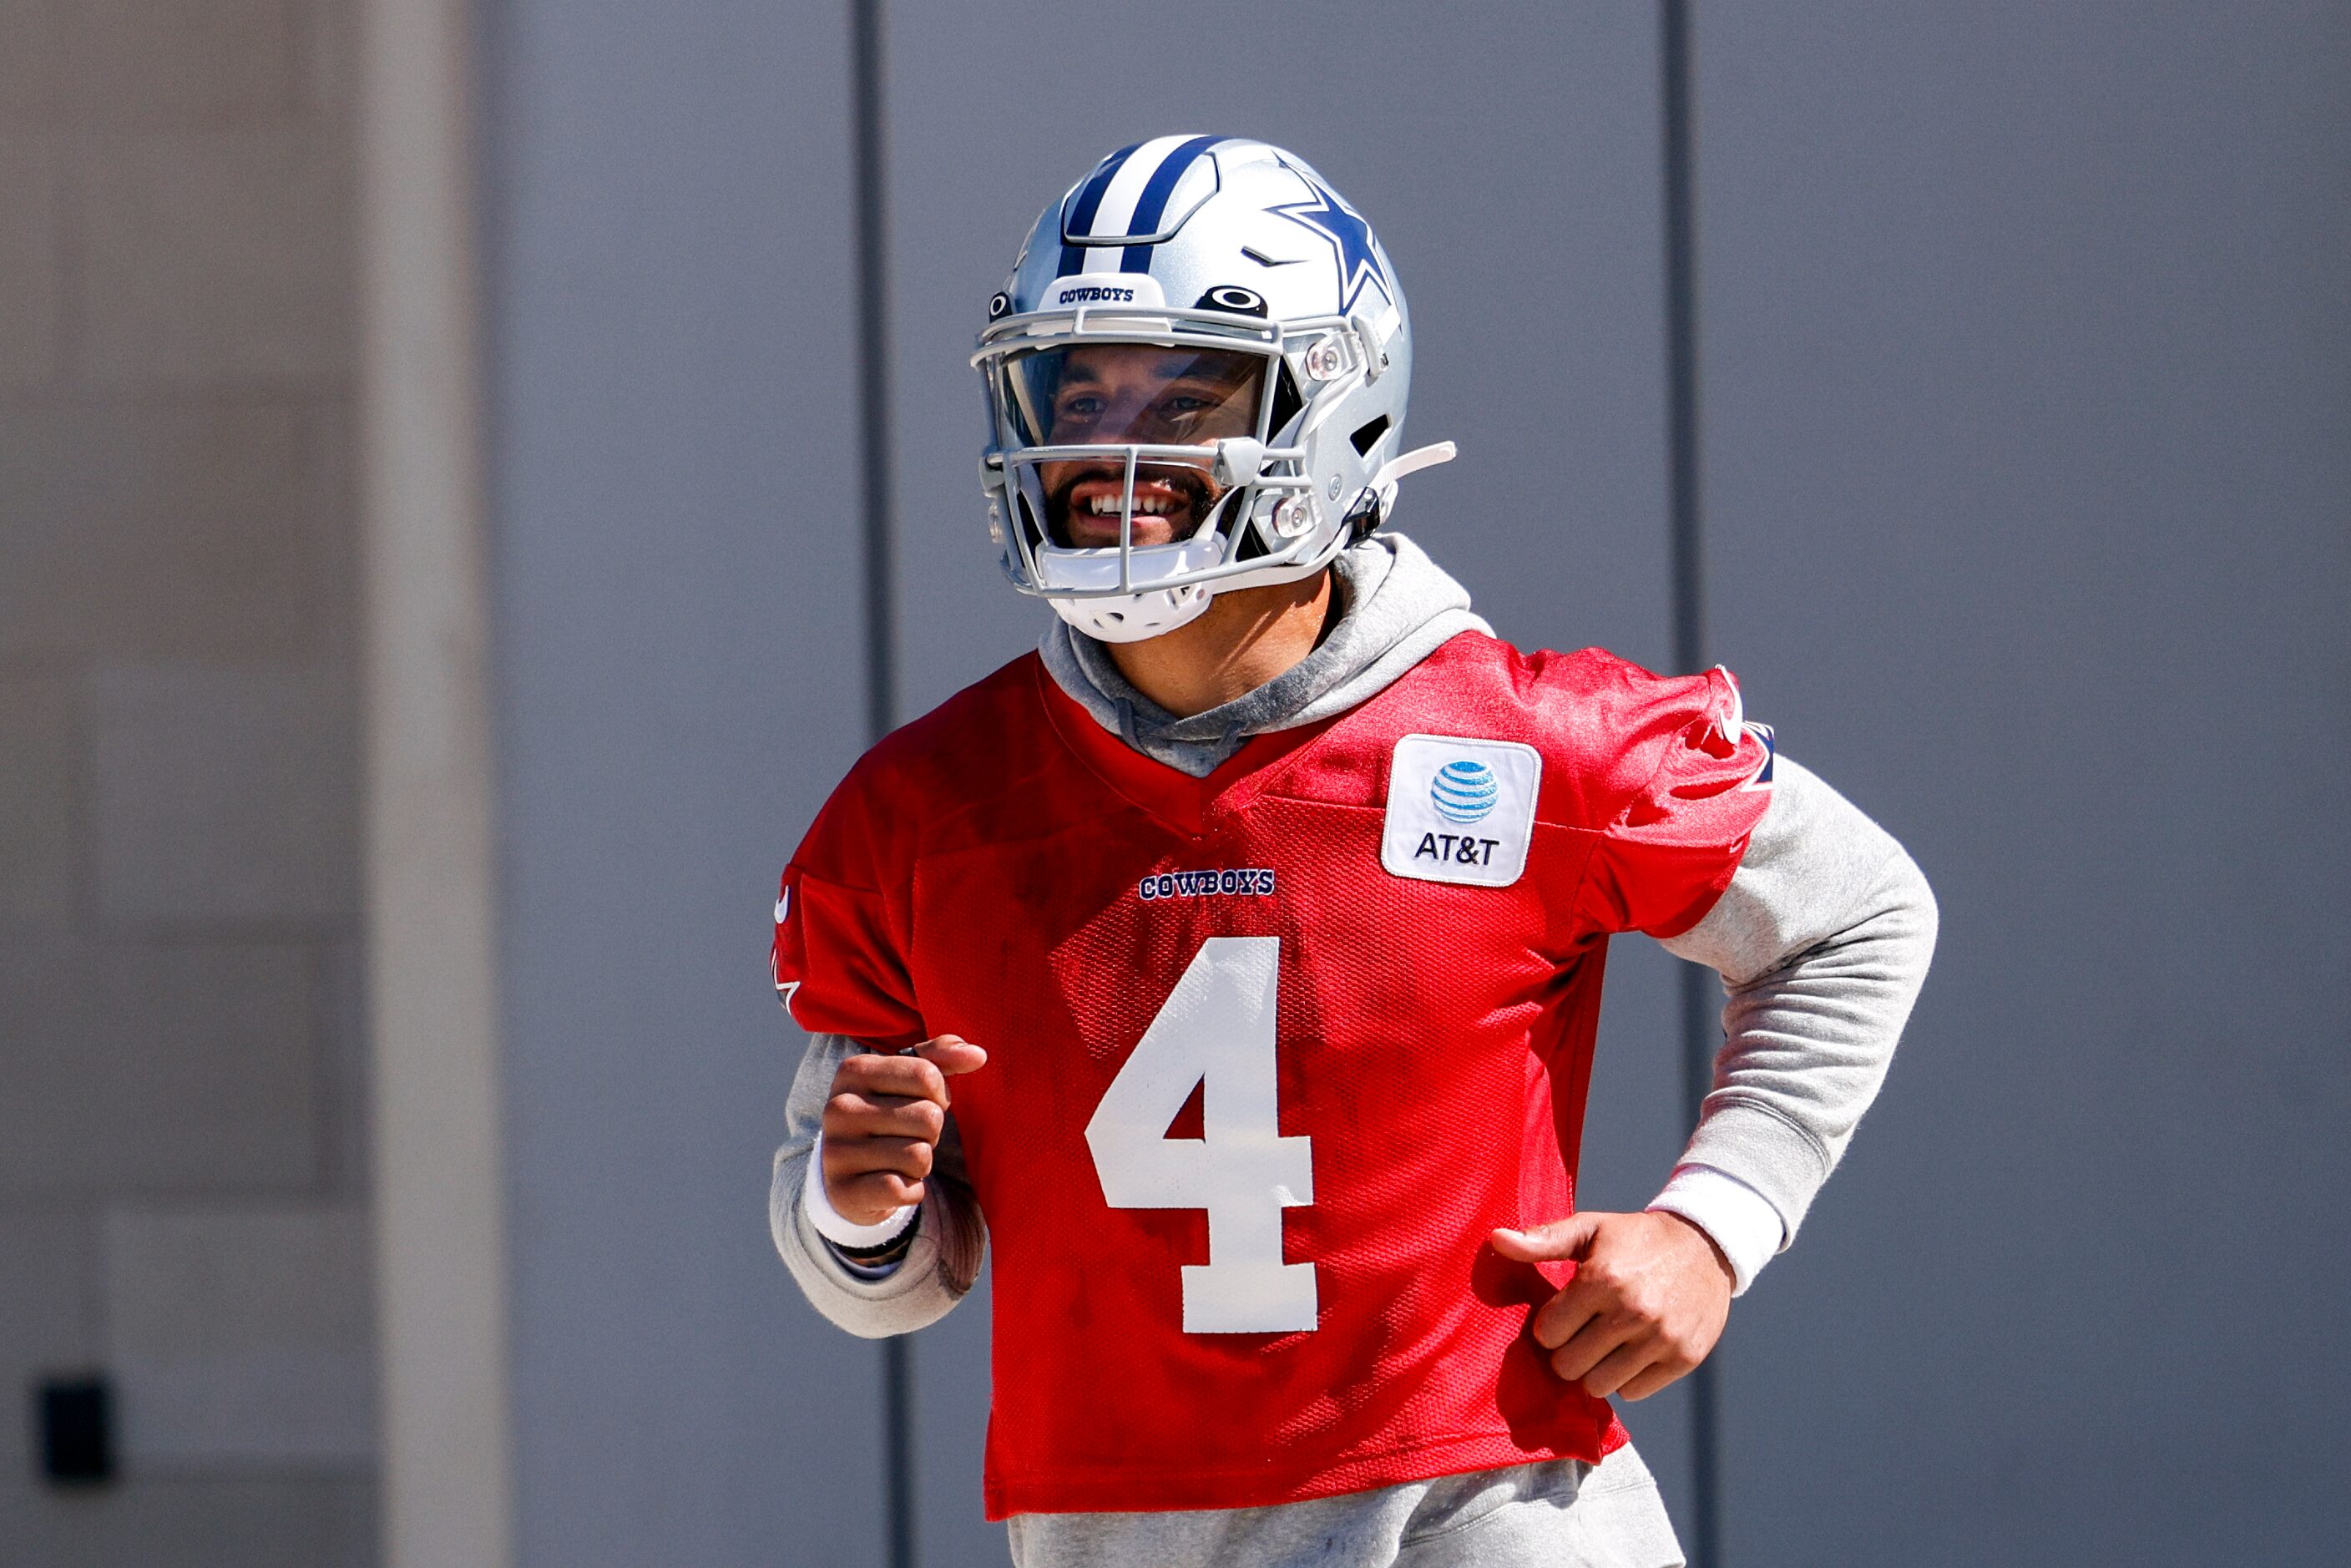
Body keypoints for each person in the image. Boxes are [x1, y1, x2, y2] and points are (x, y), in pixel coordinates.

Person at [771, 135, 1935, 1567]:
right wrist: (856, 1208)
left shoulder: (1529, 742)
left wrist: (1716, 1222)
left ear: (1332, 408)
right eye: (1078, 391)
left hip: (1481, 1506)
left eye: (1181, 392)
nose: (1105, 447)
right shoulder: (919, 814)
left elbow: (1859, 912)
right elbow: (885, 1278)